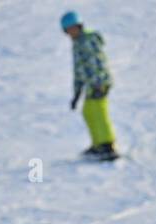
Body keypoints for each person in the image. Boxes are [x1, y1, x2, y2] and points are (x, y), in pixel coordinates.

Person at [61, 11, 118, 160]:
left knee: (98, 111)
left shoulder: (87, 40)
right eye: (68, 31)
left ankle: (107, 145)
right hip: (92, 84)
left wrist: (99, 83)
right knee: (88, 111)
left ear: (79, 26)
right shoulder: (77, 43)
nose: (70, 33)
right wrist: (76, 94)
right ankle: (98, 143)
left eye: (73, 29)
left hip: (99, 83)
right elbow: (79, 70)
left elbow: (97, 62)